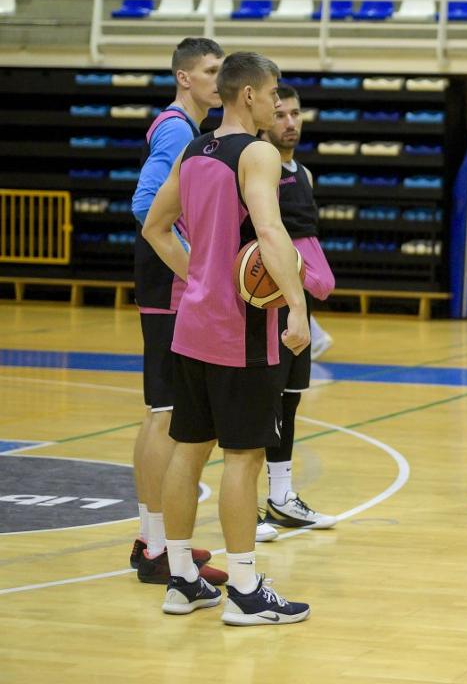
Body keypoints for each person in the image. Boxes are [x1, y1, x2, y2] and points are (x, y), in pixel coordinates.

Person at [142, 51, 311, 625]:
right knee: (244, 456)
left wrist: (199, 277)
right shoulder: (257, 152)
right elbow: (270, 231)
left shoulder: (194, 150)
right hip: (242, 331)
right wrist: (296, 307)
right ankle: (243, 588)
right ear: (250, 96)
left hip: (192, 324)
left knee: (188, 450)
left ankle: (181, 579)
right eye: (272, 94)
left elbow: (155, 227)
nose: (276, 104)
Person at [129, 37, 227, 586]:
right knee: (166, 413)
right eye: (211, 71)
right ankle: (157, 548)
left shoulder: (184, 128)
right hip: (168, 280)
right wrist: (195, 269)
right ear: (184, 78)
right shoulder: (177, 130)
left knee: (159, 411)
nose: (219, 79)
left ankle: (153, 539)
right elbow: (147, 205)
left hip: (162, 278)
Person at [257, 85, 338, 536]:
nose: (290, 122)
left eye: (295, 113)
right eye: (280, 114)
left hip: (297, 303)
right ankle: (245, 507)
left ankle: (282, 498)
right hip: (267, 304)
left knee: (289, 401)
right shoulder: (259, 167)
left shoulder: (303, 173)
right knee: (261, 404)